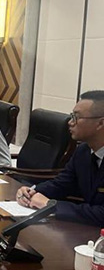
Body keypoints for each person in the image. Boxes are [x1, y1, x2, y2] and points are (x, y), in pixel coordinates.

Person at [16, 91, 104, 226]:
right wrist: (32, 191)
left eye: (76, 117)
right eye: (71, 116)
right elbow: (61, 184)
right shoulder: (83, 151)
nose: (70, 122)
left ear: (100, 123)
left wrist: (51, 205)